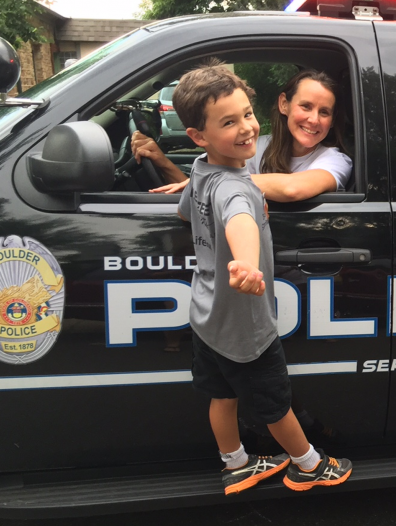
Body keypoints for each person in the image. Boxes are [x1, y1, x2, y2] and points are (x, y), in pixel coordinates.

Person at [172, 61, 352, 495]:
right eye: (229, 122)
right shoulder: (239, 187)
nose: (246, 128)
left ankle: (236, 462)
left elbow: (188, 212)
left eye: (247, 115)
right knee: (274, 403)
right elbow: (240, 222)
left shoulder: (200, 171)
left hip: (206, 317)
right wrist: (248, 263)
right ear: (199, 135)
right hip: (244, 326)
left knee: (222, 396)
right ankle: (309, 465)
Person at [133, 68, 352, 200]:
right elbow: (198, 193)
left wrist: (210, 180)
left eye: (324, 112)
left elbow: (292, 189)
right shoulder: (259, 146)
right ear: (284, 104)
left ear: (332, 121)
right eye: (306, 106)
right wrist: (162, 162)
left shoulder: (335, 160)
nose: (314, 119)